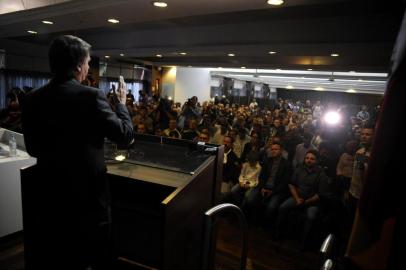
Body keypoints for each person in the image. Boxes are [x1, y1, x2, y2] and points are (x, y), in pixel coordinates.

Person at [21, 35, 134, 270]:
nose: (89, 68)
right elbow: (124, 136)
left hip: (50, 194)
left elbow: (32, 148)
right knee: (93, 256)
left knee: (60, 256)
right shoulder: (90, 97)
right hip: (87, 198)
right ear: (79, 66)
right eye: (88, 63)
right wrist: (122, 104)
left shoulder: (32, 99)